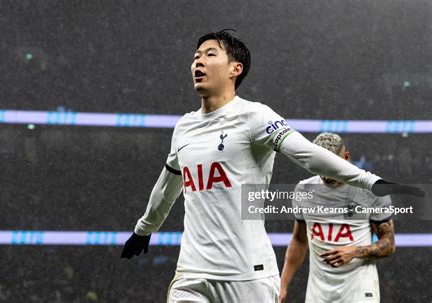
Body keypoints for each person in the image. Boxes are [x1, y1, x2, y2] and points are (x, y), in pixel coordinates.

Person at [121, 30, 422, 302]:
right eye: (196, 56)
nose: (198, 61)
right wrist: (144, 228)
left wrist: (368, 180)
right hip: (192, 273)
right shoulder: (184, 127)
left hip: (248, 275)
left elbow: (308, 154)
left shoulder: (255, 117)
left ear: (234, 69)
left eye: (210, 54)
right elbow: (168, 184)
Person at [279, 132, 396, 303]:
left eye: (332, 166)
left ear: (346, 157)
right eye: (321, 166)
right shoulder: (303, 190)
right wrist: (283, 285)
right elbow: (299, 241)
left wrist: (355, 251)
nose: (327, 175)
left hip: (359, 292)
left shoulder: (370, 189)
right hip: (317, 294)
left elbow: (389, 244)